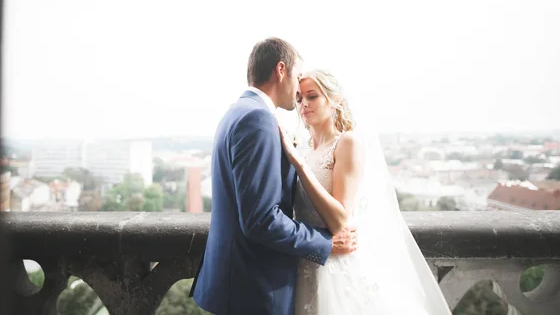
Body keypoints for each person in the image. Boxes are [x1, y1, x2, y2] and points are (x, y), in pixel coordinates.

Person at [190, 38, 358, 315]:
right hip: (253, 286)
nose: (298, 95)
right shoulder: (256, 119)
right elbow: (260, 219)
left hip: (241, 280)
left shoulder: (237, 112)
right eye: (297, 79)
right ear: (282, 70)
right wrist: (324, 243)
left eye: (311, 95)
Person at [278, 69, 452, 314]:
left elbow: (340, 219)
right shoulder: (304, 149)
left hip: (335, 268)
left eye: (312, 96)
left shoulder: (347, 143)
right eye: (298, 98)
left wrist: (300, 165)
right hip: (305, 262)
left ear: (334, 100)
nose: (303, 104)